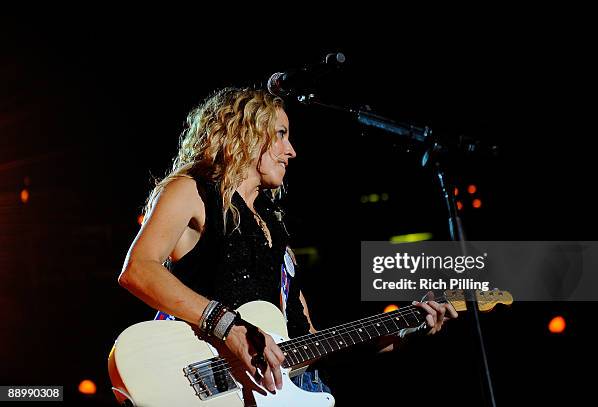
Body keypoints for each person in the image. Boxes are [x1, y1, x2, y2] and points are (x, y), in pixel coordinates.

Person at [117, 87, 457, 399]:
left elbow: (308, 339)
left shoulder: (278, 237)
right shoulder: (191, 190)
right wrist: (229, 326)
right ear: (245, 133)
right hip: (211, 380)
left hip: (287, 391)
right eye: (280, 135)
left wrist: (404, 330)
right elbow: (137, 269)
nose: (291, 151)